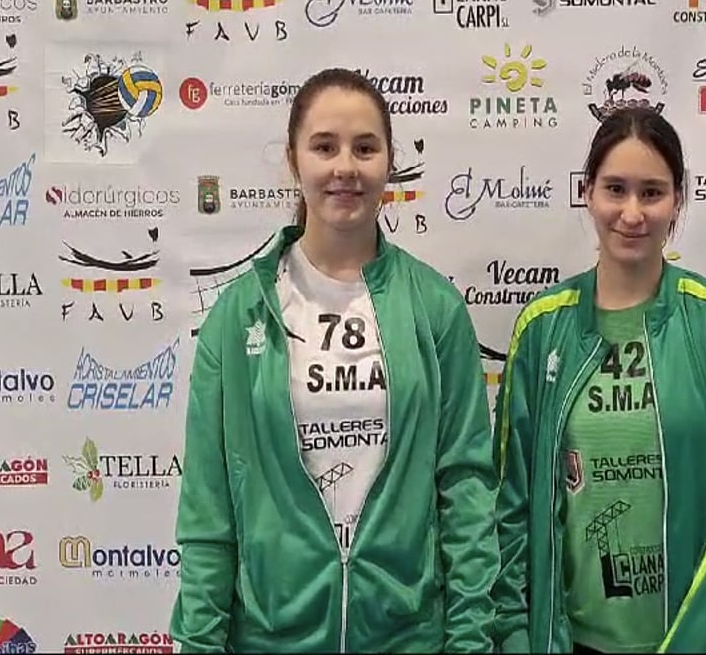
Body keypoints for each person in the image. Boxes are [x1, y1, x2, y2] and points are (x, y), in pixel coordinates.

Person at [170, 67, 501, 653]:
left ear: (389, 164)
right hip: (272, 639)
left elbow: (465, 491)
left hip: (407, 638)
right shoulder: (238, 315)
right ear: (295, 163)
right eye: (325, 147)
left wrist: (471, 641)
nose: (345, 167)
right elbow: (208, 511)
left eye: (365, 148)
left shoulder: (435, 308)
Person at [490, 106, 706, 654]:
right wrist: (519, 636)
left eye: (652, 192)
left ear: (678, 200)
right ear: (588, 192)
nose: (633, 212)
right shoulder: (544, 327)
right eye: (615, 189)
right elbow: (510, 503)